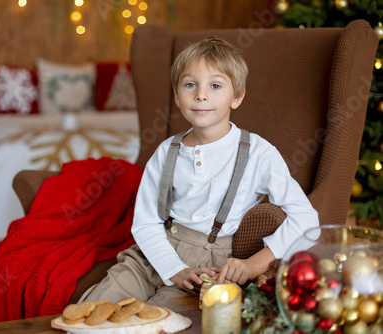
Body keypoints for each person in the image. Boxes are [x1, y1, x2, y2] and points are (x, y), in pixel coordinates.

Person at [79, 36, 319, 303]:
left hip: (210, 268)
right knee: (95, 308)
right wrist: (175, 269)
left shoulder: (258, 153)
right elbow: (146, 222)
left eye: (215, 85)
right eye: (190, 84)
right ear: (177, 97)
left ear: (237, 97)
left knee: (162, 322)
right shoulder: (166, 152)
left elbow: (306, 219)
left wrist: (255, 264)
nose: (201, 94)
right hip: (155, 253)